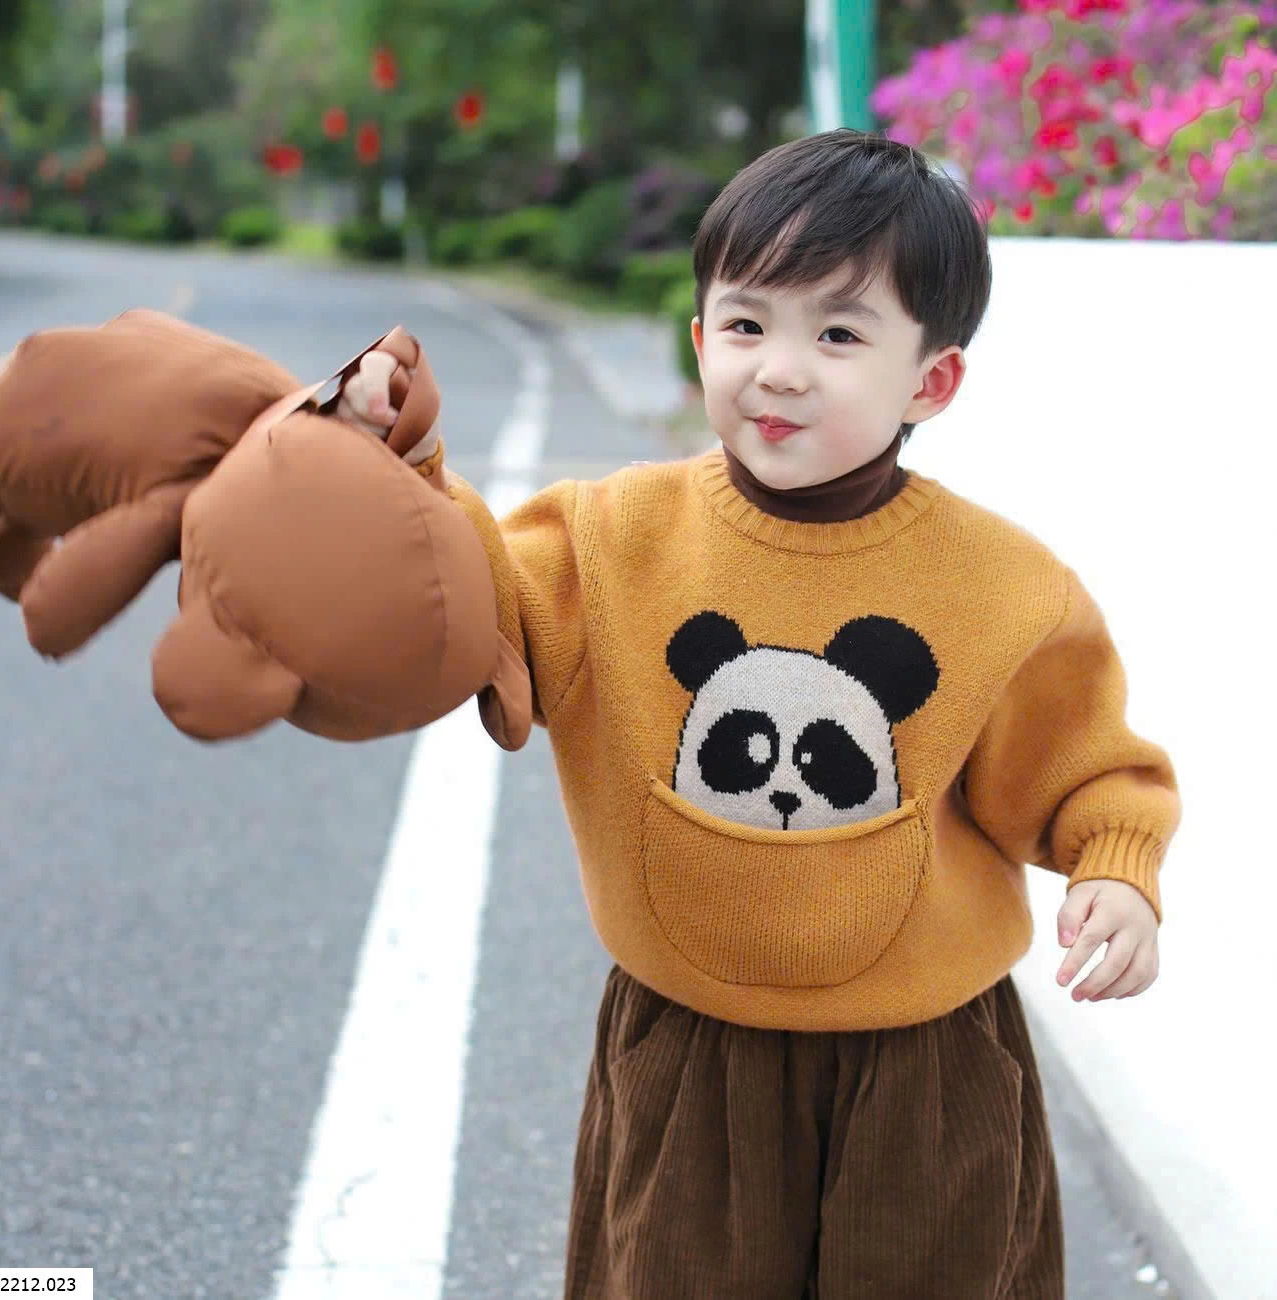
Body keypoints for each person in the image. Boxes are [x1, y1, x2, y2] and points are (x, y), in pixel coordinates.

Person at [340, 127, 1185, 1298]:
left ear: (930, 381)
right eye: (746, 324)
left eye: (837, 334)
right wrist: (399, 454)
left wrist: (1116, 869)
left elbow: (1085, 766)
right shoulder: (610, 535)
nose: (779, 369)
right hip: (690, 1056)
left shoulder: (1002, 586)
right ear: (699, 340)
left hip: (928, 1069)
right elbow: (473, 593)